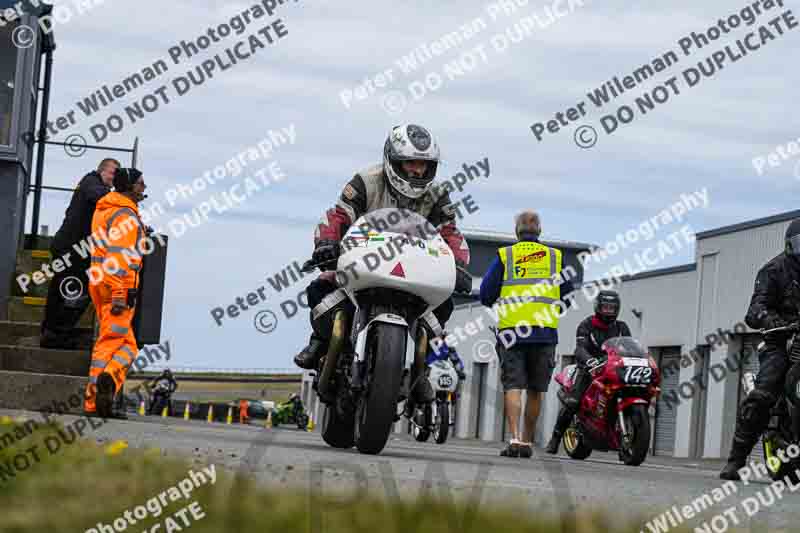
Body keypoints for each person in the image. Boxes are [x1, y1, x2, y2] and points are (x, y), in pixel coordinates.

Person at [293, 124, 472, 408]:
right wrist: (327, 243)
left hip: (415, 268)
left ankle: (420, 369)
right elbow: (339, 215)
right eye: (411, 163)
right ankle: (321, 342)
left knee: (444, 306)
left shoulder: (438, 194)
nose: (417, 171)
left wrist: (459, 265)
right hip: (364, 263)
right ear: (393, 159)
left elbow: (449, 232)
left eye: (424, 166)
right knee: (320, 288)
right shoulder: (367, 180)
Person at [480, 210, 575, 458]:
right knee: (536, 389)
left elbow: (486, 294)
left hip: (512, 332)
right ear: (539, 231)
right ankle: (527, 442)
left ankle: (513, 439)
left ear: (516, 231)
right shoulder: (555, 257)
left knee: (513, 386)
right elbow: (567, 296)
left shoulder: (506, 255)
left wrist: (501, 305)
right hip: (544, 334)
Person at [719, 219, 800, 480]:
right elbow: (755, 310)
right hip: (781, 340)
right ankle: (736, 459)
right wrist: (772, 320)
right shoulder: (774, 270)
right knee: (764, 393)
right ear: (789, 245)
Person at [83, 167, 148, 418]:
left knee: (129, 345)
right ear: (130, 186)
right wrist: (121, 292)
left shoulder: (105, 209)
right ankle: (94, 400)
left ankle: (108, 378)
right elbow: (119, 257)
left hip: (99, 281)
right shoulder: (126, 216)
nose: (144, 188)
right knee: (109, 342)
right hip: (117, 285)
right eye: (141, 184)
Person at [41, 158, 119, 349]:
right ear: (102, 171)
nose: (114, 177)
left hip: (73, 248)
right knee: (70, 290)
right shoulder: (91, 182)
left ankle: (54, 332)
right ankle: (56, 334)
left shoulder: (97, 187)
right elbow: (99, 197)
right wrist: (124, 202)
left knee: (64, 291)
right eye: (113, 173)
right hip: (70, 248)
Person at [545, 290, 631, 454]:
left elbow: (628, 346)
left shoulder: (622, 327)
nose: (608, 311)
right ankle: (555, 439)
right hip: (589, 369)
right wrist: (589, 360)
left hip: (614, 369)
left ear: (617, 309)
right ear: (598, 307)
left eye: (612, 308)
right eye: (605, 307)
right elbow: (580, 348)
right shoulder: (586, 325)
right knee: (573, 402)